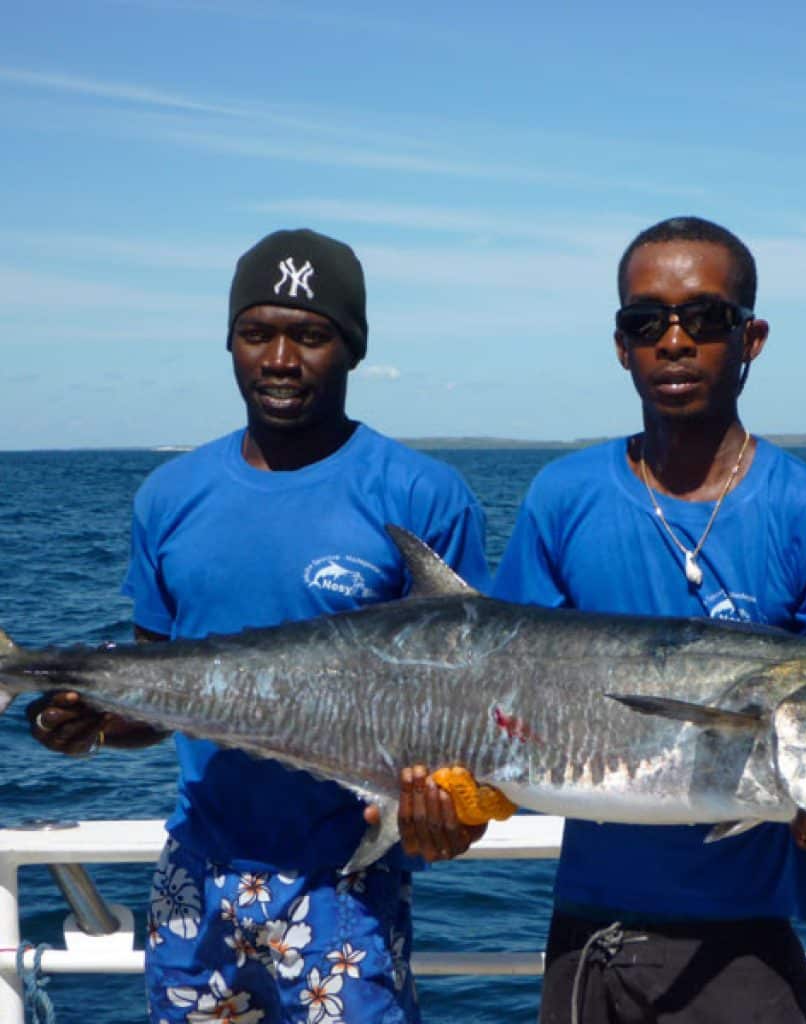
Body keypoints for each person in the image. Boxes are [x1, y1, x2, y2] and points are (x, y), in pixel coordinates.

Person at [27, 228, 489, 1024]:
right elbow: (159, 696)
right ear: (231, 342)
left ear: (351, 348)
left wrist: (453, 809)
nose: (279, 358)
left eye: (310, 336)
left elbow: (475, 716)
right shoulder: (169, 497)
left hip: (348, 877)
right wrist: (90, 724)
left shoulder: (421, 495)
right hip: (195, 873)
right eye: (257, 333)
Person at [492, 216, 806, 1024]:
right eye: (646, 322)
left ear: (751, 338)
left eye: (705, 318)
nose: (674, 341)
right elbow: (505, 697)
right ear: (620, 346)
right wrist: (451, 788)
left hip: (747, 946)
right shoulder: (562, 498)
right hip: (587, 938)